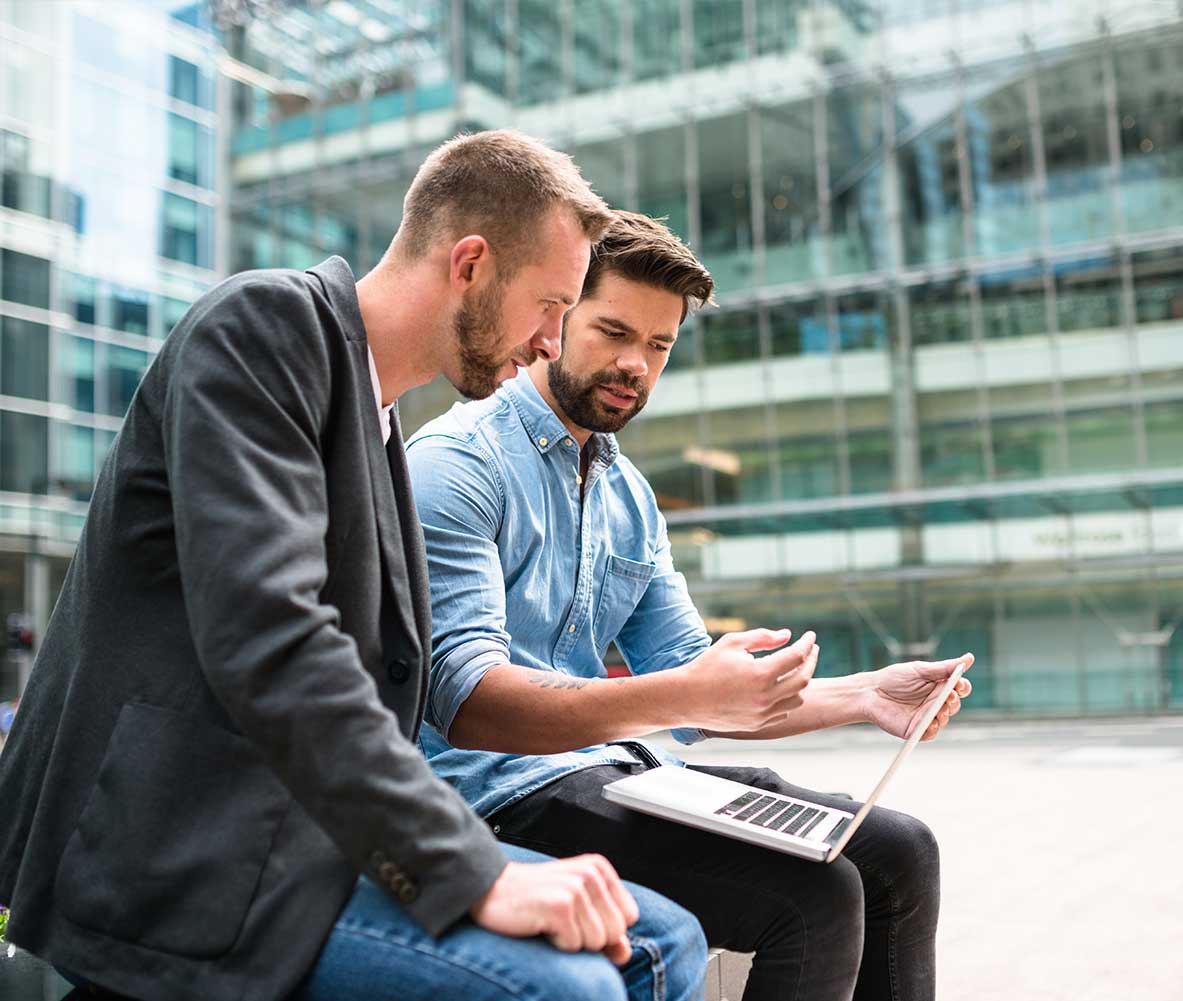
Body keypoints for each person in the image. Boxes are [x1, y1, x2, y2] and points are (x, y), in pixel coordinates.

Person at [0, 133, 706, 1001]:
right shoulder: (262, 328)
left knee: (665, 940)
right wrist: (473, 871)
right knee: (568, 986)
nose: (550, 343)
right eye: (552, 305)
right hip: (173, 845)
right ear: (472, 264)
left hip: (297, 835)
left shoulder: (378, 427)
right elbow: (274, 642)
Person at [407, 211, 974, 1001]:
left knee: (901, 850)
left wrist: (865, 694)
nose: (634, 363)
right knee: (813, 896)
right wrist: (687, 694)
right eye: (611, 330)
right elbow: (467, 702)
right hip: (500, 798)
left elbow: (703, 693)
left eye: (659, 345)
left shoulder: (628, 494)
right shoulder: (456, 464)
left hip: (617, 775)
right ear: (556, 312)